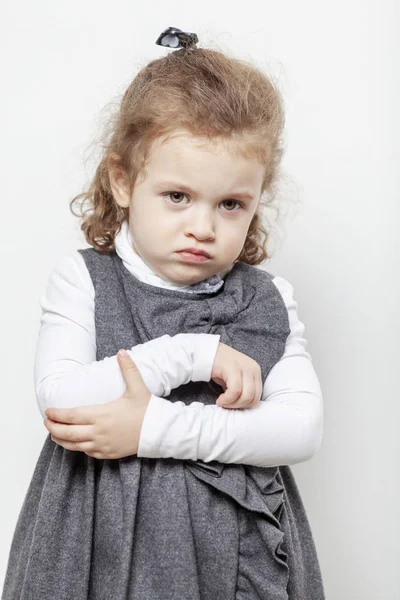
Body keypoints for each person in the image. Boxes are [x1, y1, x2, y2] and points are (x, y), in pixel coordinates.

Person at [1, 26, 325, 600]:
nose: (203, 226)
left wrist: (152, 429)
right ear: (123, 180)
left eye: (231, 204)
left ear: (257, 200)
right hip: (95, 539)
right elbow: (62, 400)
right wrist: (191, 354)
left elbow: (298, 429)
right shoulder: (85, 279)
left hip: (233, 547)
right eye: (178, 196)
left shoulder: (267, 299)